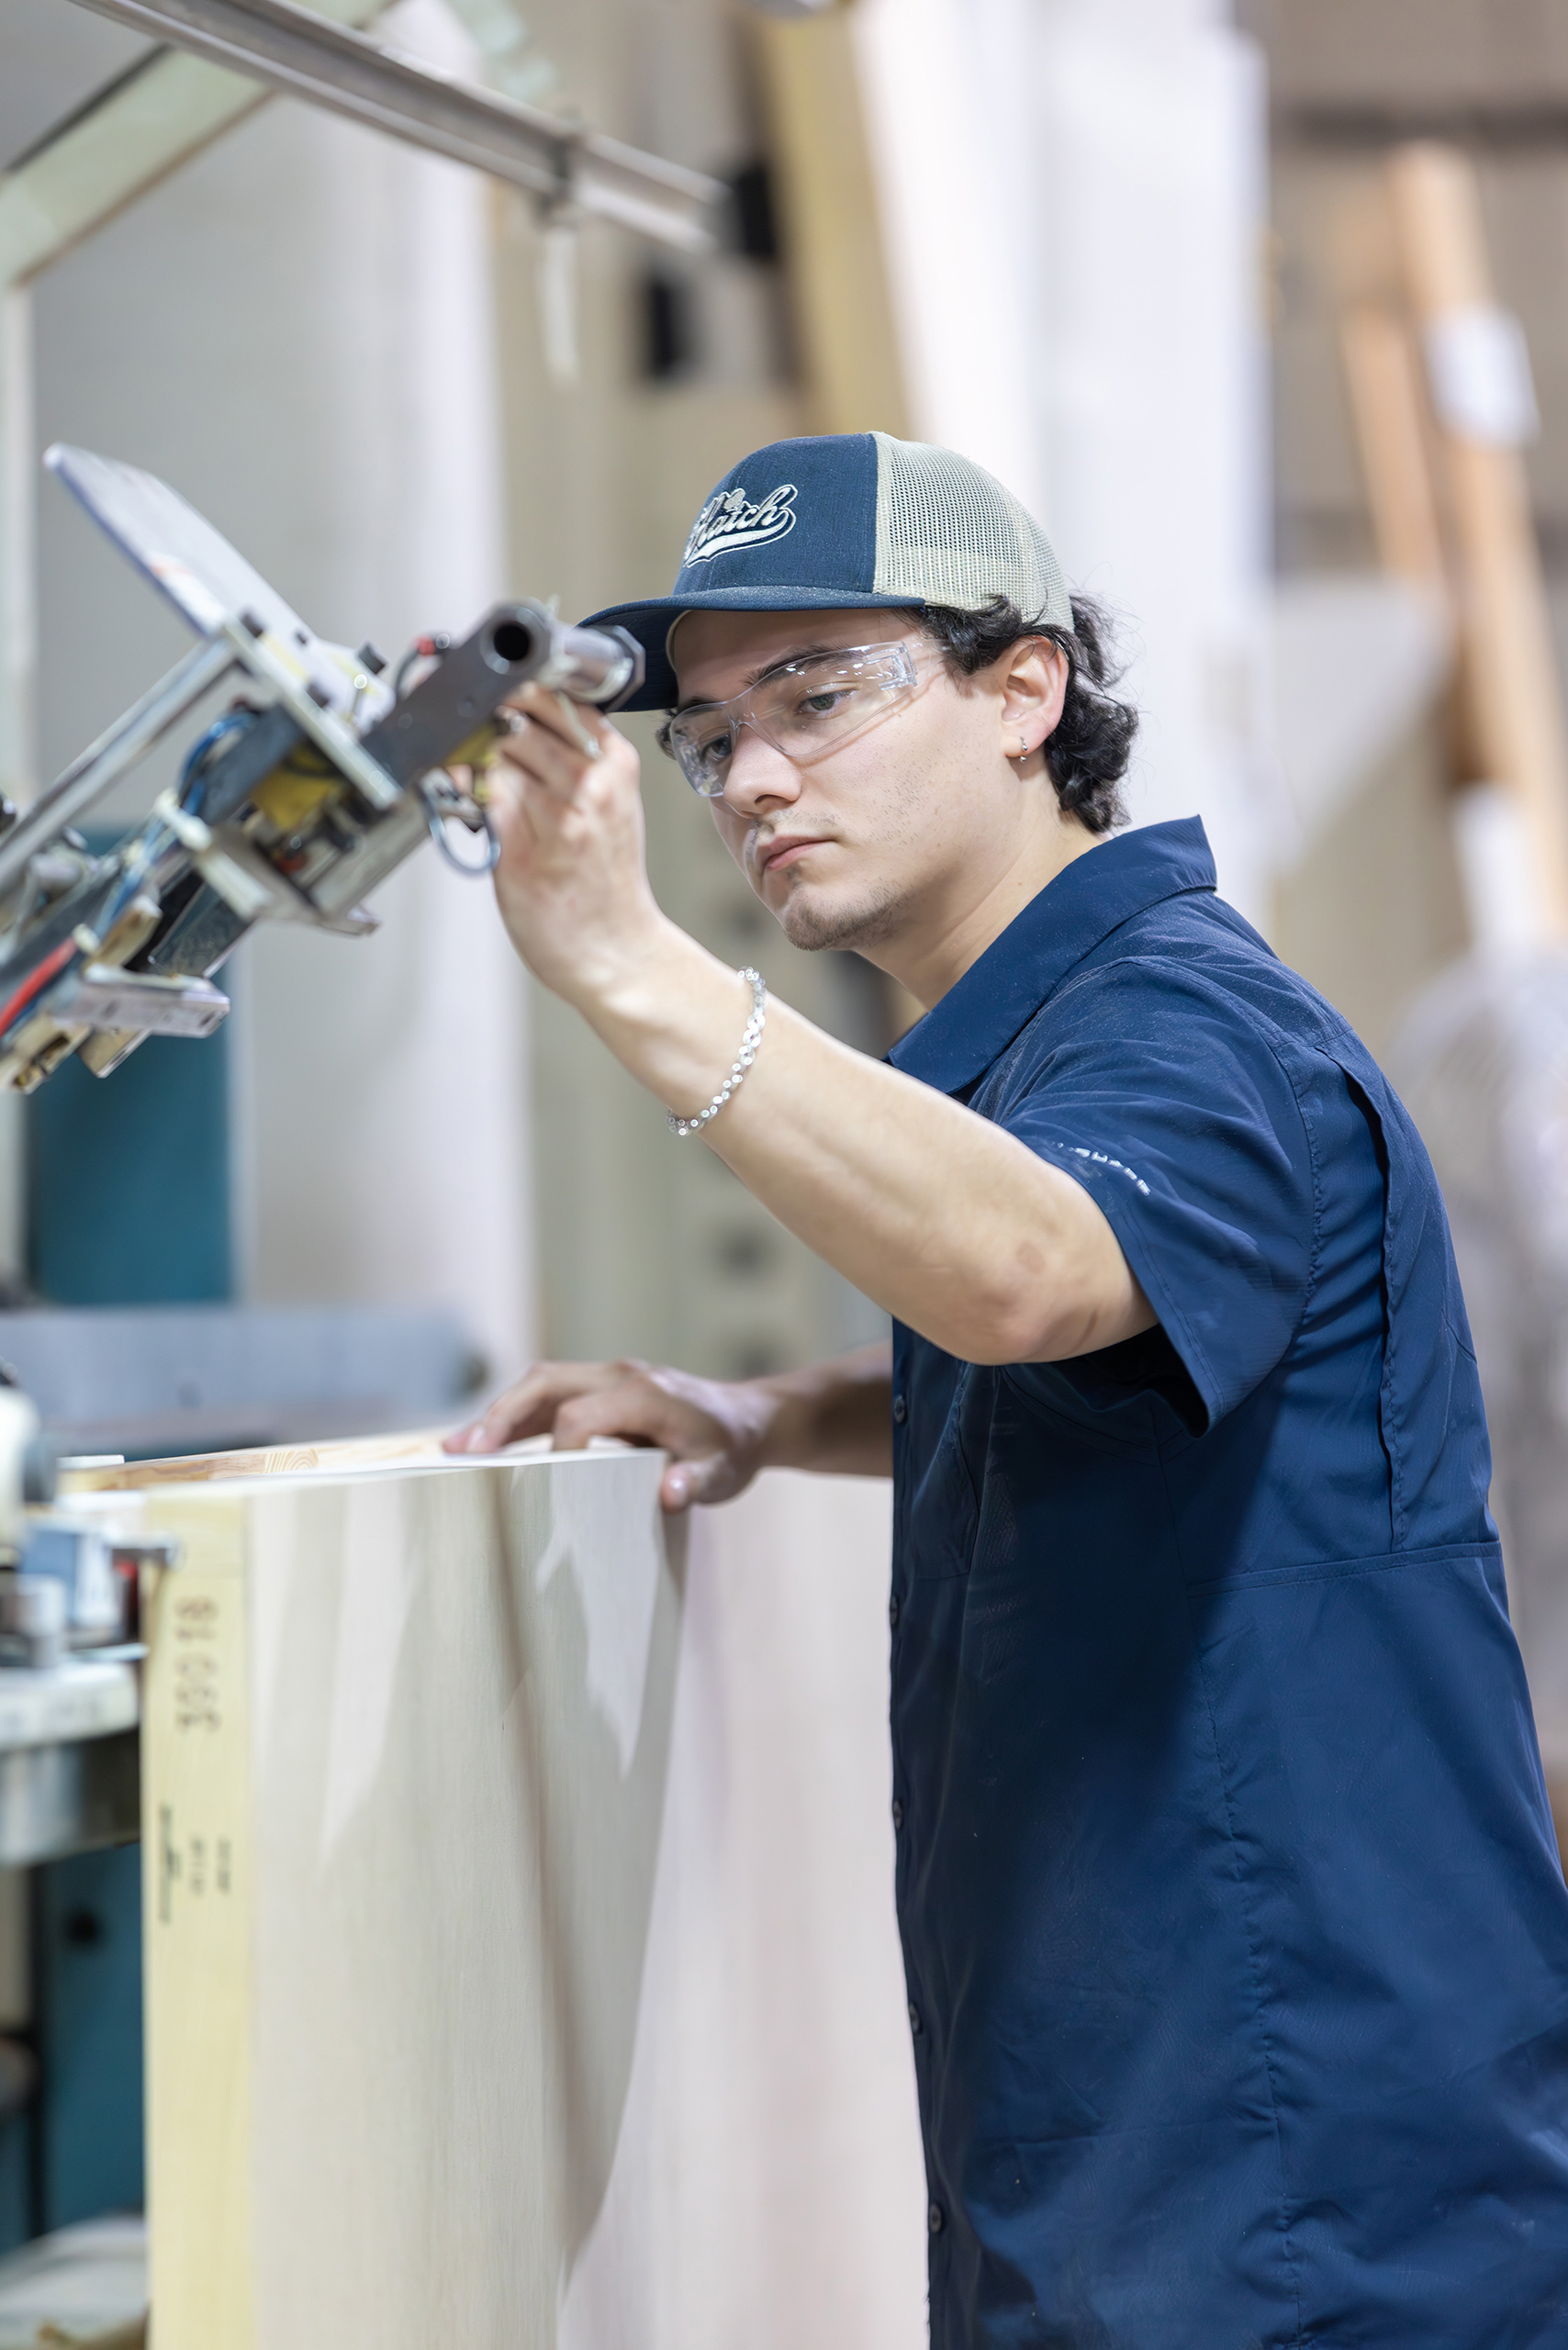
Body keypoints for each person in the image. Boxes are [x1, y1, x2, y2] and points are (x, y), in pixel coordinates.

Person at [447, 432, 1568, 2347]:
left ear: (1023, 690)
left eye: (816, 694)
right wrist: (762, 1413)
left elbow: (1033, 1278)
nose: (754, 777)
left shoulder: (1183, 1023)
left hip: (1296, 2190)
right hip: (1131, 2152)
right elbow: (1082, 1370)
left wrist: (632, 966)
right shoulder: (1034, 1053)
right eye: (710, 735)